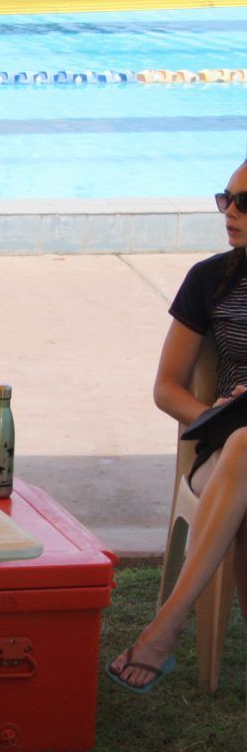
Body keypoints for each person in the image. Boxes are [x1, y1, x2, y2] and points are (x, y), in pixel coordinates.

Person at [109, 159, 247, 693]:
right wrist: (216, 413)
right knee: (242, 446)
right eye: (225, 198)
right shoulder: (209, 279)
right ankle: (166, 629)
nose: (230, 212)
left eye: (244, 202)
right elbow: (167, 387)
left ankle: (165, 629)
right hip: (224, 445)